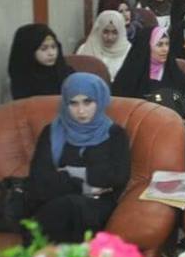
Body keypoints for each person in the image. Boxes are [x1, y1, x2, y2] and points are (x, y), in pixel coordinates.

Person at [27, 73, 130, 243]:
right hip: (54, 202)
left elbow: (118, 178)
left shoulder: (115, 134)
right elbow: (39, 180)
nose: (81, 111)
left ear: (100, 100)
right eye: (73, 103)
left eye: (87, 102)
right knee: (65, 206)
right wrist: (84, 184)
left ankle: (38, 255)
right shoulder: (51, 132)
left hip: (98, 206)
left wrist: (67, 173)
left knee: (70, 206)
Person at [111, 27, 185, 119]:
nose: (165, 49)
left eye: (167, 44)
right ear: (147, 47)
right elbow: (117, 108)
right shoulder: (131, 76)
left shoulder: (173, 72)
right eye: (159, 45)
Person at [8, 24, 75, 100]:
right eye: (44, 49)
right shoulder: (22, 81)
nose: (51, 53)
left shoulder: (67, 73)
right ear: (28, 52)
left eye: (54, 47)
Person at [76, 10, 131, 82]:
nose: (109, 37)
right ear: (98, 30)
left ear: (121, 32)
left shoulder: (129, 52)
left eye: (115, 32)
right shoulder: (84, 49)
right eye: (105, 32)